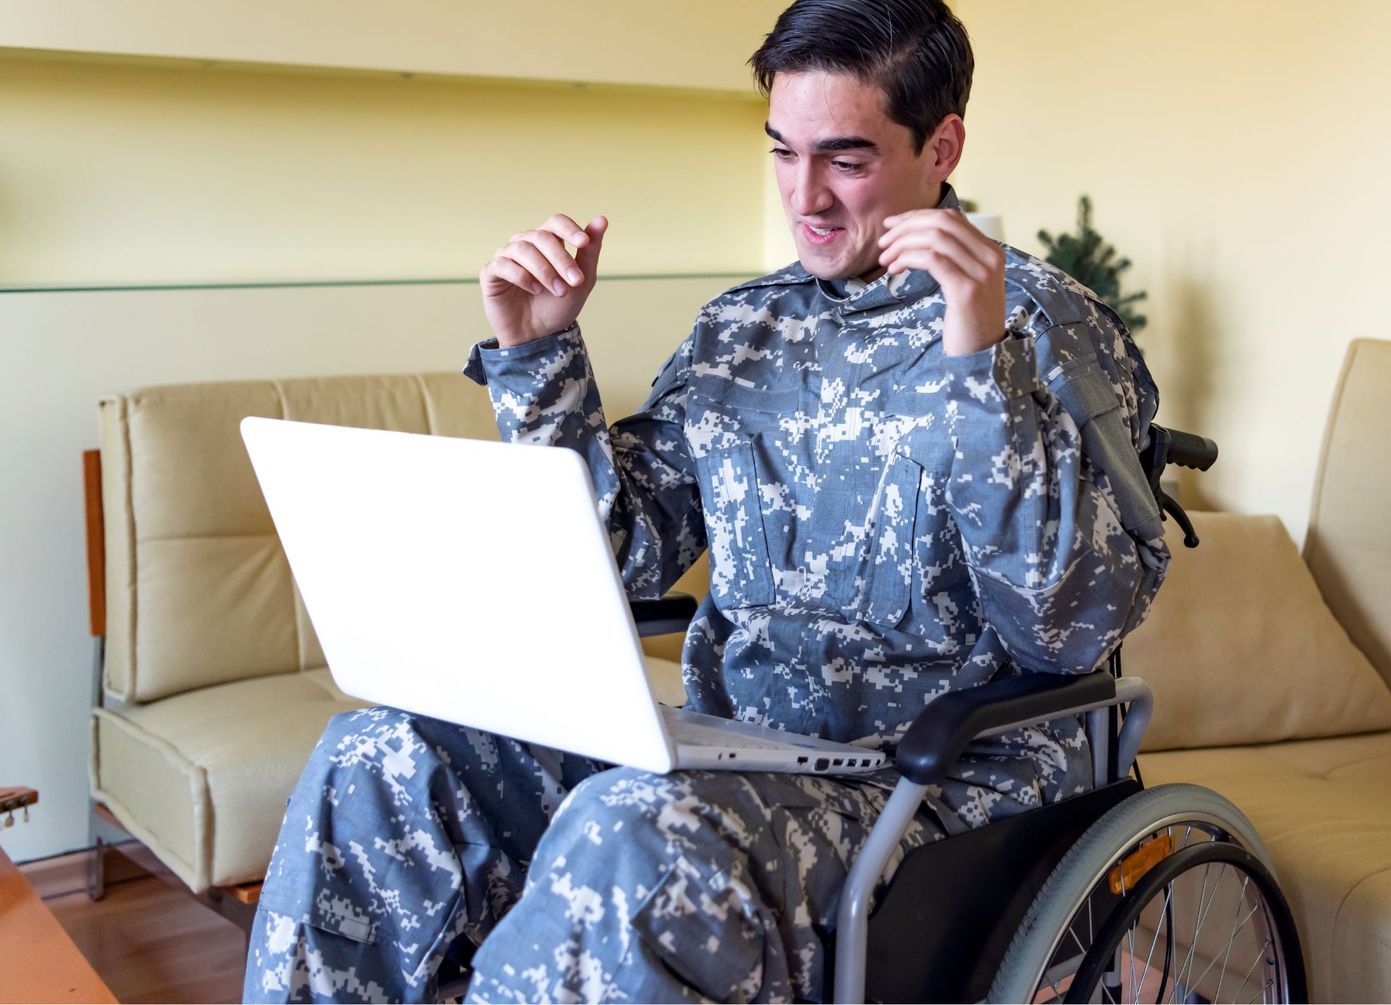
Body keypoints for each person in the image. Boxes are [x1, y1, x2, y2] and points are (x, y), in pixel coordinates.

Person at [244, 0, 1169, 1000]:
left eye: (846, 160)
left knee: (628, 837)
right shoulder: (744, 327)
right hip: (732, 761)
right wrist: (536, 356)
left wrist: (978, 367)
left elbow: (1069, 631)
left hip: (937, 798)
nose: (803, 196)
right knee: (379, 755)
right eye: (783, 152)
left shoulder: (1047, 327)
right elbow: (621, 555)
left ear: (940, 145)